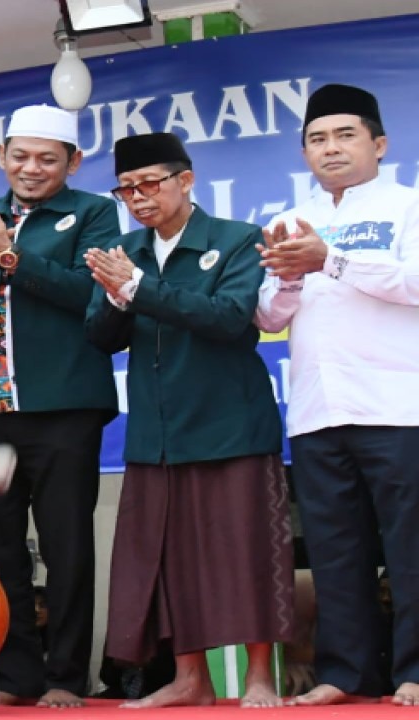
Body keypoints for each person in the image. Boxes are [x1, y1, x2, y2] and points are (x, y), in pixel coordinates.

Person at [83, 132, 294, 709]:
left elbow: (231, 320)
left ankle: (258, 677)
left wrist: (139, 287)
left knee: (245, 550)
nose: (139, 197)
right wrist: (116, 296)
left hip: (230, 423)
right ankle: (187, 678)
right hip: (157, 431)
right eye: (127, 188)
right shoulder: (126, 249)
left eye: (151, 183)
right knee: (167, 558)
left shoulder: (234, 239)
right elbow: (100, 339)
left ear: (186, 179)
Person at [0, 104, 119, 708]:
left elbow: (94, 296)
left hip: (65, 408)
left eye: (47, 158)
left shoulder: (93, 212)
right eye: (20, 155)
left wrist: (9, 255)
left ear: (73, 162)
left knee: (67, 546)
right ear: (1, 157)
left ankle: (69, 676)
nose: (31, 168)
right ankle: (16, 676)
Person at [253, 83, 419, 707]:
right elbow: (268, 314)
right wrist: (291, 279)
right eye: (318, 139)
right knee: (334, 552)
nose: (331, 148)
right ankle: (346, 672)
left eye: (345, 135)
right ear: (304, 154)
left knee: (411, 549)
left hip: (401, 407)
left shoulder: (410, 206)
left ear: (379, 143)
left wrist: (334, 259)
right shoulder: (290, 219)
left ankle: (416, 670)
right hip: (319, 410)